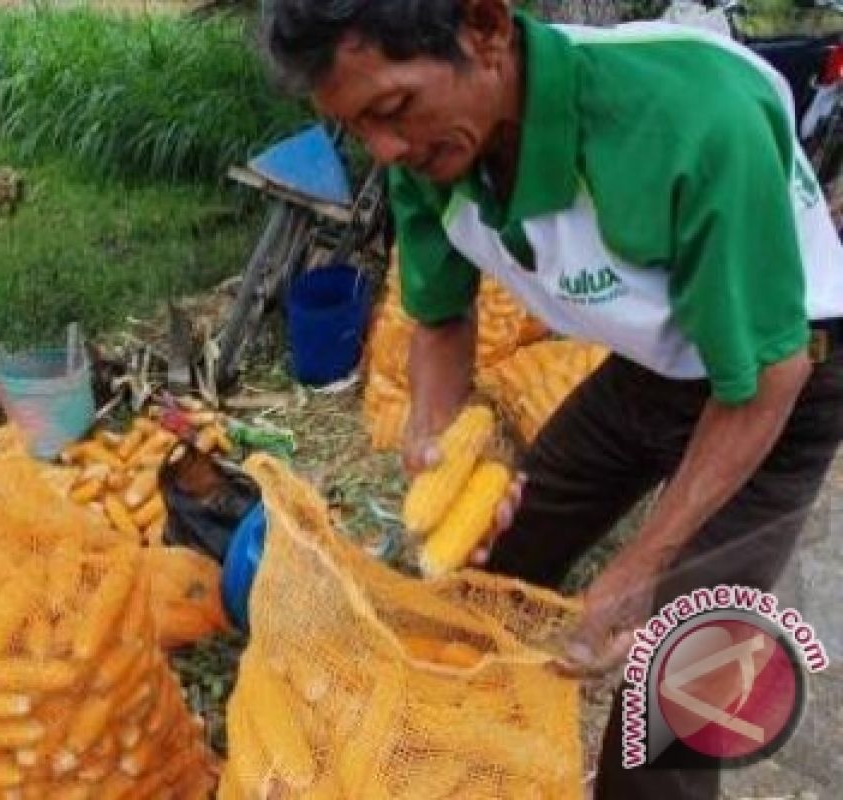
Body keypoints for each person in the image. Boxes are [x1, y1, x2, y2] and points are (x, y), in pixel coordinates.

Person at [262, 0, 843, 796]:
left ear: (486, 28)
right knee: (495, 571)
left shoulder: (691, 123)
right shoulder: (426, 156)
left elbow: (767, 381)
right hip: (653, 368)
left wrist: (645, 562)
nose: (386, 149)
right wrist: (438, 439)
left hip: (788, 383)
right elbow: (439, 316)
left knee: (675, 686)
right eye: (359, 128)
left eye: (393, 108)